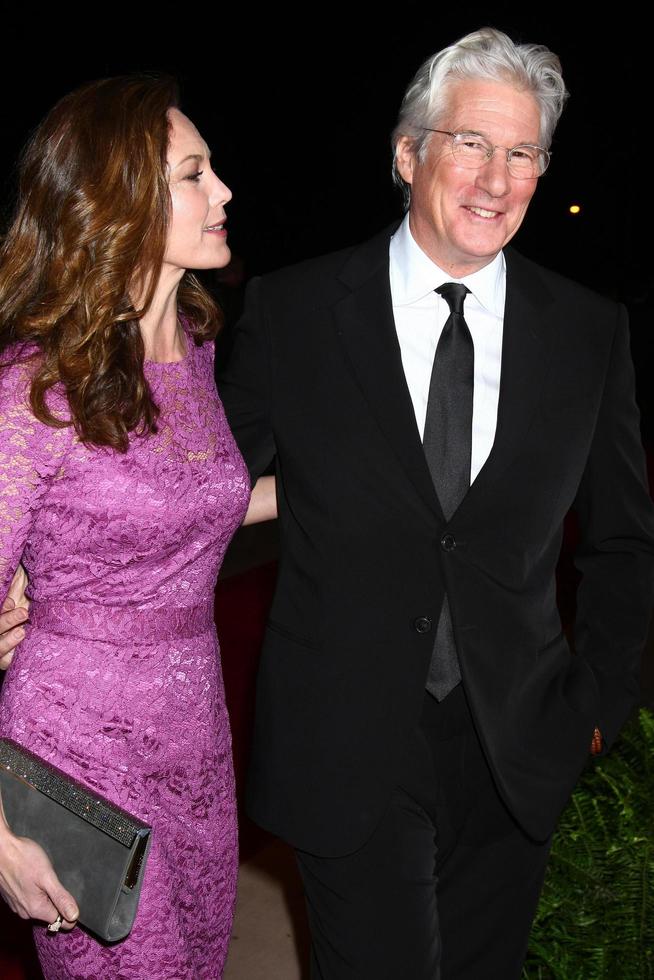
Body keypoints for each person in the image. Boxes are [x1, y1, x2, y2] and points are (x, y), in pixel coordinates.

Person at [217, 27, 654, 980]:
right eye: (472, 143)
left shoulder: (589, 332)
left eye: (524, 152)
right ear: (409, 152)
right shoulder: (294, 315)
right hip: (347, 740)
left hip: (520, 746)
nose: (496, 178)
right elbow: (196, 503)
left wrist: (598, 706)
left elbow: (624, 545)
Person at [0, 75, 275, 979]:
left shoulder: (194, 347)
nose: (223, 191)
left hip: (196, 735)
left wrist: (369, 485)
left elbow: (194, 513)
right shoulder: (30, 391)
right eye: (194, 173)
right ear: (119, 201)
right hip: (77, 748)